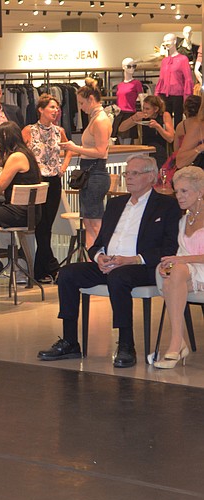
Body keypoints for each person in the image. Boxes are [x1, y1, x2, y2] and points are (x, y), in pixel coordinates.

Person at [37, 154, 181, 368]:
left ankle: (125, 344)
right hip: (110, 264)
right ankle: (69, 341)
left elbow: (170, 247)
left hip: (143, 267)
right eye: (127, 173)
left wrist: (133, 259)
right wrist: (99, 257)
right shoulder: (115, 204)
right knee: (67, 273)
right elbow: (99, 242)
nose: (128, 178)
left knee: (119, 277)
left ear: (151, 176)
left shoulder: (166, 205)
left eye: (134, 173)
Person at [154, 166, 204, 368]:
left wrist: (181, 261)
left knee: (177, 271)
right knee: (171, 272)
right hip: (189, 273)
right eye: (177, 191)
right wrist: (169, 263)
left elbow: (186, 259)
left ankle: (177, 343)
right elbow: (182, 255)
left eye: (184, 191)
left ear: (200, 192)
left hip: (198, 268)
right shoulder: (183, 220)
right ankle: (177, 340)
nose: (179, 196)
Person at [0, 121, 42, 279]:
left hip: (20, 211)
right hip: (30, 210)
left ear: (5, 137)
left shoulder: (16, 157)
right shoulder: (25, 153)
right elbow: (4, 183)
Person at [22, 94, 73, 283]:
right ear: (41, 110)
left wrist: (63, 167)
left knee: (46, 227)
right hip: (36, 181)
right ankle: (52, 267)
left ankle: (41, 272)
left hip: (53, 181)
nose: (56, 110)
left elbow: (69, 148)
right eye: (52, 107)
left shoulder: (59, 131)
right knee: (39, 225)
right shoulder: (29, 130)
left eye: (57, 107)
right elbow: (20, 151)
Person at [60, 82, 112, 249]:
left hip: (96, 173)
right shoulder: (96, 119)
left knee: (95, 222)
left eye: (82, 103)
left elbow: (100, 151)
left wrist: (75, 148)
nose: (81, 108)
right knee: (88, 221)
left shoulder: (101, 120)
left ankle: (98, 259)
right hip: (90, 173)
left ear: (91, 99)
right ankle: (93, 258)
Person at [117, 94, 174, 169]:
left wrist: (158, 127)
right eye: (143, 108)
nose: (144, 111)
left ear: (156, 109)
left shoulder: (164, 115)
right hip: (145, 151)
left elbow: (170, 138)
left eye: (147, 109)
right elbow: (121, 128)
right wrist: (134, 118)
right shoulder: (142, 117)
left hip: (161, 151)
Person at [156, 33, 193, 128]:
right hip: (164, 95)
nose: (166, 43)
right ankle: (167, 141)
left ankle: (178, 141)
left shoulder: (183, 59)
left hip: (178, 95)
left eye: (168, 41)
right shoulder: (164, 61)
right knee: (165, 122)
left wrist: (187, 98)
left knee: (178, 122)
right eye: (164, 41)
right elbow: (161, 79)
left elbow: (188, 79)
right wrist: (157, 94)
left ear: (175, 41)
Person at [113, 58, 144, 143]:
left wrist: (144, 112)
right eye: (129, 66)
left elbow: (142, 99)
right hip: (119, 114)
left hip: (130, 114)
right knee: (117, 140)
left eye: (134, 66)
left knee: (128, 141)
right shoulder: (120, 85)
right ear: (123, 67)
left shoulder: (136, 83)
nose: (132, 69)